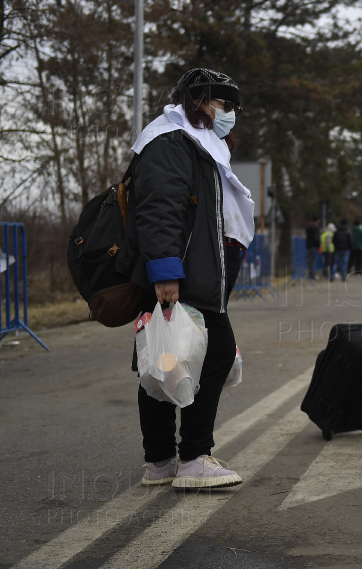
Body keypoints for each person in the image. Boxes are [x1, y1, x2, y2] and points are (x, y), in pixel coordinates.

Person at [121, 67, 254, 489]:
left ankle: (159, 462)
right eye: (223, 104)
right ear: (197, 101)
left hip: (189, 273)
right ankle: (194, 457)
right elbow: (159, 209)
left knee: (161, 358)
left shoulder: (197, 143)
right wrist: (164, 272)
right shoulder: (169, 141)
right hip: (182, 275)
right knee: (208, 357)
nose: (229, 113)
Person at [304, 215, 321, 279]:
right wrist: (318, 244)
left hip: (308, 245)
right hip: (314, 246)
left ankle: (310, 274)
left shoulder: (307, 226)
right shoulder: (315, 227)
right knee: (313, 261)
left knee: (309, 261)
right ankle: (312, 275)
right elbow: (316, 237)